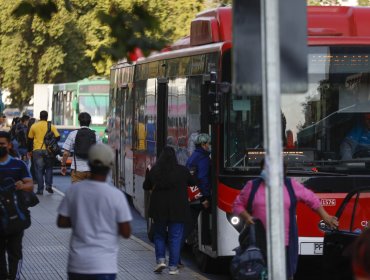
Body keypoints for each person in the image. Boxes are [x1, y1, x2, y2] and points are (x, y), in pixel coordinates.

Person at [232, 160, 339, 280]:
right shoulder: (252, 186)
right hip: (259, 242)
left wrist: (326, 217)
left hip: (285, 243)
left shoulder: (291, 185)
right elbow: (237, 205)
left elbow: (312, 199)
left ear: (284, 171)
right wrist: (247, 217)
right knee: (259, 273)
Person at [57, 143, 132, 280]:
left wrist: (81, 220)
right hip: (104, 266)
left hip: (77, 265)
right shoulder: (116, 196)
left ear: (89, 163)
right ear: (110, 165)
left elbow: (61, 221)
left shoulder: (74, 191)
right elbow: (126, 232)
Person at [143, 146, 196, 275]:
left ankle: (160, 260)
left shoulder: (155, 171)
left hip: (159, 209)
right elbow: (192, 183)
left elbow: (146, 186)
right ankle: (173, 267)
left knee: (159, 235)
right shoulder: (182, 171)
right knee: (175, 237)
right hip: (178, 209)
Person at [0, 131, 34, 280]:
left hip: (15, 217)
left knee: (15, 252)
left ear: (8, 145)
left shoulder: (18, 164)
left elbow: (30, 185)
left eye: (1, 144)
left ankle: (14, 277)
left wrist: (21, 185)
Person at [60, 112, 101, 183]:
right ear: (90, 122)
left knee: (77, 193)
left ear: (79, 122)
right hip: (92, 170)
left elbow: (66, 153)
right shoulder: (95, 135)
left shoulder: (73, 134)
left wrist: (63, 165)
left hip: (77, 170)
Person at [27, 110, 60, 195]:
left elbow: (29, 139)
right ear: (47, 117)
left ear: (40, 116)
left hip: (37, 151)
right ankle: (48, 186)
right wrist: (50, 141)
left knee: (39, 170)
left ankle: (40, 189)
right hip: (48, 150)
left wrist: (29, 151)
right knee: (49, 168)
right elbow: (58, 137)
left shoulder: (34, 126)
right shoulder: (51, 126)